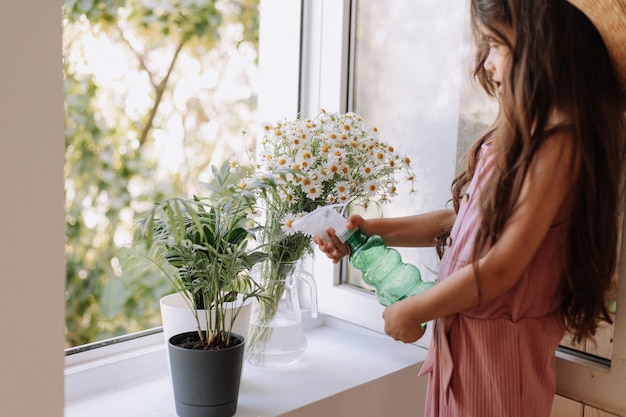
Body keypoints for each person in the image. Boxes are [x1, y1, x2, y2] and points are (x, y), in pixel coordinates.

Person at [314, 0, 626, 416]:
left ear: (544, 47)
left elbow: (500, 268)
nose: (488, 64)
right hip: (464, 352)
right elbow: (461, 222)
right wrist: (372, 229)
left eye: (498, 46)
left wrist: (414, 308)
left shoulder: (559, 148)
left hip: (500, 367)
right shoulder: (519, 137)